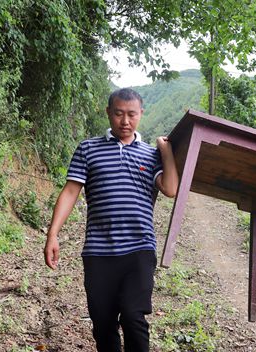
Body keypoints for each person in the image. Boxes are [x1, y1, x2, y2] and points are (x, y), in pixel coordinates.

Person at [43, 88, 178, 352]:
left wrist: (166, 151)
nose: (125, 121)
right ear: (108, 113)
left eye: (131, 114)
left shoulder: (151, 155)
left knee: (133, 316)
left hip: (139, 248)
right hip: (98, 252)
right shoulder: (88, 149)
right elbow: (71, 191)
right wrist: (53, 234)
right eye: (118, 114)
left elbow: (171, 188)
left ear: (141, 114)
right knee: (103, 324)